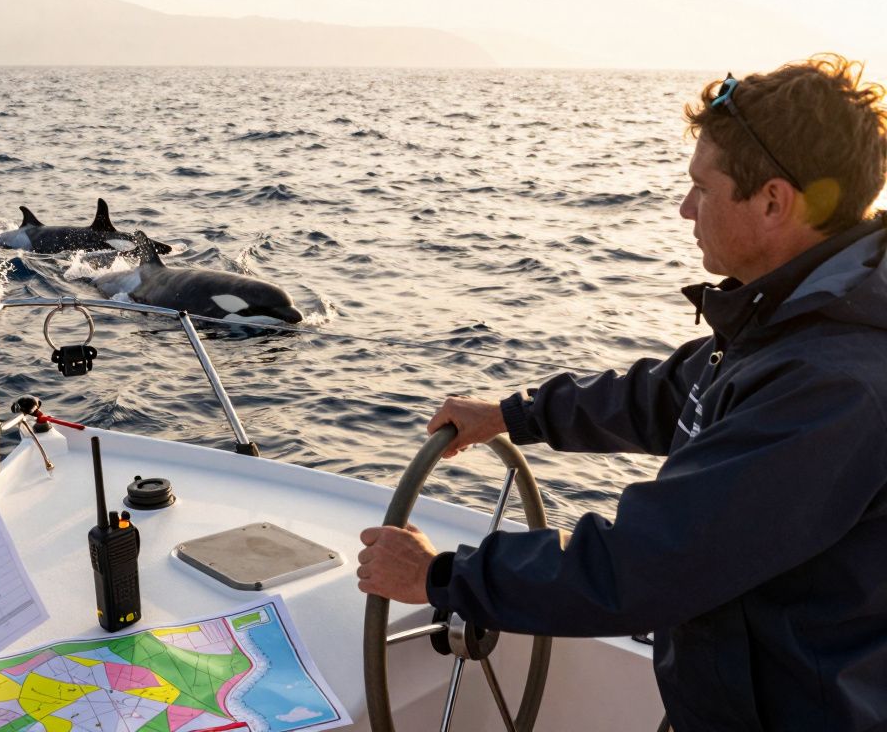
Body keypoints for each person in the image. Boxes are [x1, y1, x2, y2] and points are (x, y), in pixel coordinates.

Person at [357, 54, 887, 732]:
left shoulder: (831, 383)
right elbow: (669, 395)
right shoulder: (794, 313)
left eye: (702, 187)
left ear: (773, 202)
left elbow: (646, 565)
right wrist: (513, 415)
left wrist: (440, 578)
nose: (685, 207)